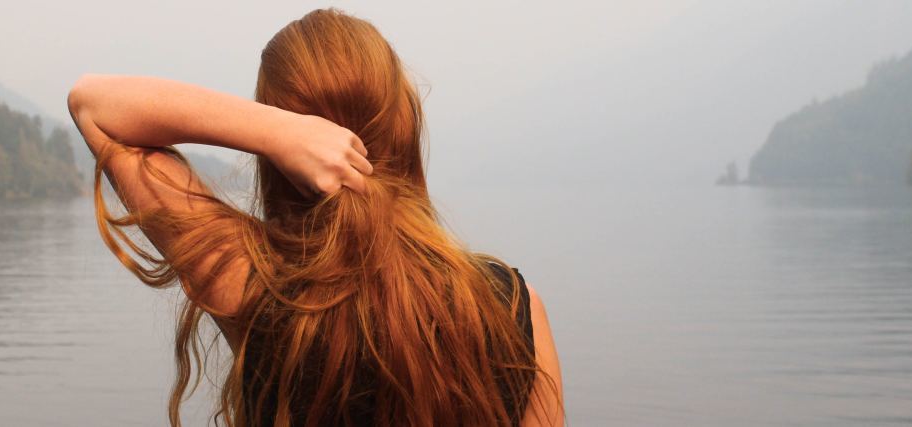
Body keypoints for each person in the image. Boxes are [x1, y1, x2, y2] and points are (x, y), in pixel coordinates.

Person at [67, 8, 564, 427]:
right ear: (404, 124)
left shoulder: (256, 289)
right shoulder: (510, 306)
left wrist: (275, 132)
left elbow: (93, 105)